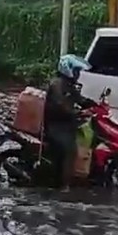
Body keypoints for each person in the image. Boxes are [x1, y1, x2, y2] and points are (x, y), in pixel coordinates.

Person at [43, 54, 96, 190]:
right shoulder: (57, 84)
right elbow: (61, 105)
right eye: (76, 71)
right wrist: (76, 113)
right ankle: (63, 185)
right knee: (70, 149)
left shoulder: (69, 84)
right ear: (68, 69)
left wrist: (93, 104)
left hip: (66, 123)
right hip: (56, 125)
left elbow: (79, 99)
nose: (78, 74)